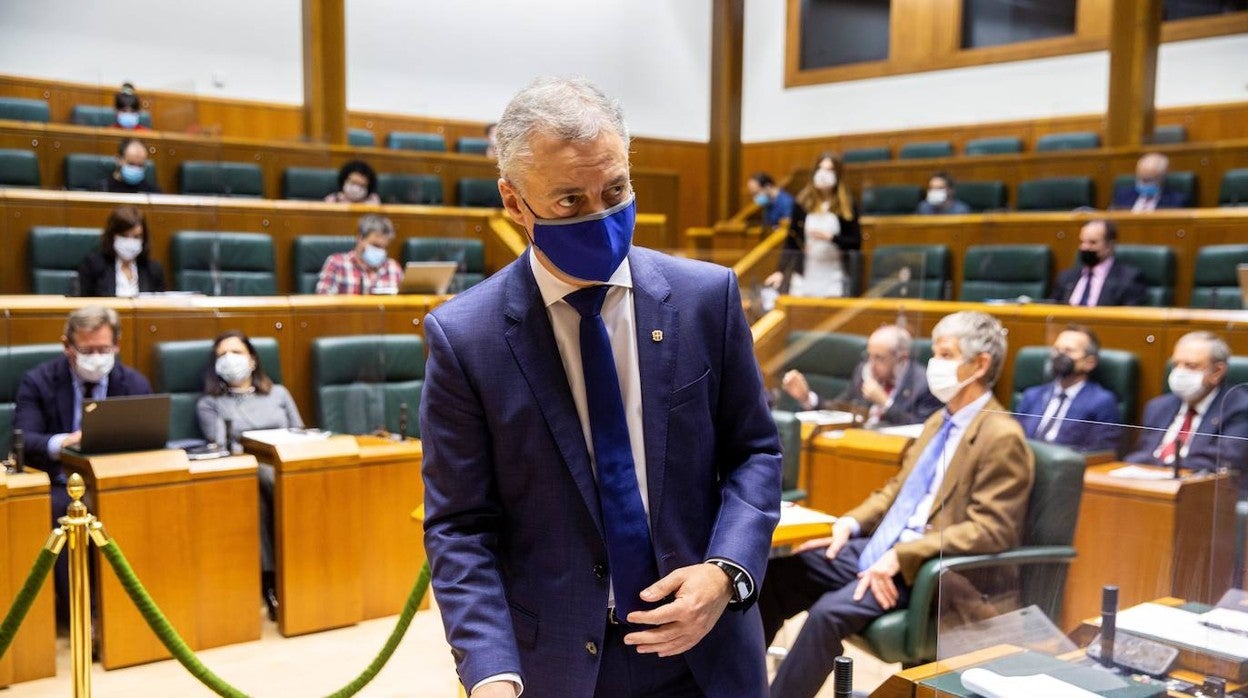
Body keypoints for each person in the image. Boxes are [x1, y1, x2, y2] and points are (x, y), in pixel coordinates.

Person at [420, 76, 782, 698]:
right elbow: (459, 527)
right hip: (561, 666)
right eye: (568, 202)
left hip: (708, 652)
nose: (601, 219)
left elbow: (754, 453)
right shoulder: (465, 338)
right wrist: (490, 672)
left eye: (615, 191)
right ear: (513, 201)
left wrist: (726, 572)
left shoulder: (706, 299)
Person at [758, 311, 1034, 698]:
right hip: (880, 548)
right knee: (774, 578)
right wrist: (848, 524)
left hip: (925, 570)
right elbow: (896, 492)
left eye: (946, 354)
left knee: (827, 615)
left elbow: (991, 529)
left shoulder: (1002, 436)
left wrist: (902, 555)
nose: (934, 364)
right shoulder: (940, 421)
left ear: (981, 364)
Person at [13, 306, 153, 620]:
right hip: (61, 482)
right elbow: (24, 439)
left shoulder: (134, 384)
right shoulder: (39, 381)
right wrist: (66, 441)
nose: (97, 357)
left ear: (117, 345)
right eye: (87, 350)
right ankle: (84, 615)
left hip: (116, 480)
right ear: (67, 346)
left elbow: (150, 439)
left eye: (104, 349)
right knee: (61, 510)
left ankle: (133, 612)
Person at [196, 330, 303, 621]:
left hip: (289, 465)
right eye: (221, 355)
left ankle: (287, 576)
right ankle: (273, 582)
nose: (229, 359)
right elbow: (223, 443)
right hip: (247, 472)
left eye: (236, 352)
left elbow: (301, 433)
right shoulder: (210, 403)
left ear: (253, 359)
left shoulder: (279, 393)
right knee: (258, 486)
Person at [1124, 331, 1248, 492]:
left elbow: (1222, 460)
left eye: (1191, 366)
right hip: (1152, 490)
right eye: (1176, 365)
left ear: (1217, 371)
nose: (1179, 373)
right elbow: (1141, 454)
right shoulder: (1158, 407)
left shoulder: (1240, 406)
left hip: (1207, 494)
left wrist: (1163, 466)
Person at [780, 324, 940, 427]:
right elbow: (841, 408)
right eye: (869, 356)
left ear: (902, 358)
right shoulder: (863, 371)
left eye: (879, 358)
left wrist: (885, 403)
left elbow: (924, 428)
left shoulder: (924, 383)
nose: (871, 364)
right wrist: (807, 398)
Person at [1014, 325, 1122, 453]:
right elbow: (1013, 438)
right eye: (1056, 349)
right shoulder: (1032, 396)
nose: (1059, 355)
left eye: (1068, 350)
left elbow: (1101, 453)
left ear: (1090, 363)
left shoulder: (1102, 402)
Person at [789, 152, 862, 297]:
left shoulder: (847, 204)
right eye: (820, 169)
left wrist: (831, 237)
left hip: (833, 275)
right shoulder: (802, 203)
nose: (823, 174)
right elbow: (791, 239)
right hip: (806, 273)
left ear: (838, 175)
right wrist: (780, 270)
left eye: (829, 170)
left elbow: (855, 242)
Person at [1049, 220, 1148, 307]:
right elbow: (1051, 311)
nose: (1085, 247)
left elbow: (1130, 321)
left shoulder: (1129, 279)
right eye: (1082, 242)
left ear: (1110, 245)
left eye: (1092, 243)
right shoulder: (1066, 278)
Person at [75, 205, 167, 297]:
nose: (130, 241)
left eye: (136, 237)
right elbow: (82, 302)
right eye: (124, 236)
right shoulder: (93, 265)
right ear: (112, 236)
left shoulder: (153, 269)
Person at [314, 214, 403, 294]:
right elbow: (322, 304)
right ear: (360, 238)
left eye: (385, 247)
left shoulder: (393, 268)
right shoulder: (337, 263)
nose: (380, 251)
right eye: (375, 245)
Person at [753, 172, 806, 295]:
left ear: (767, 187)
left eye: (756, 193)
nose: (755, 197)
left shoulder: (787, 202)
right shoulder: (767, 204)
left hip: (788, 254)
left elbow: (790, 230)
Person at [1111, 153, 1191, 212]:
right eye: (1141, 178)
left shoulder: (1177, 201)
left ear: (1162, 178)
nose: (1143, 183)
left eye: (1149, 180)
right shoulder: (1122, 196)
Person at [97, 137, 162, 194]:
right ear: (118, 160)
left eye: (140, 165)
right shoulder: (103, 189)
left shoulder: (153, 193)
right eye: (131, 164)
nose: (136, 169)